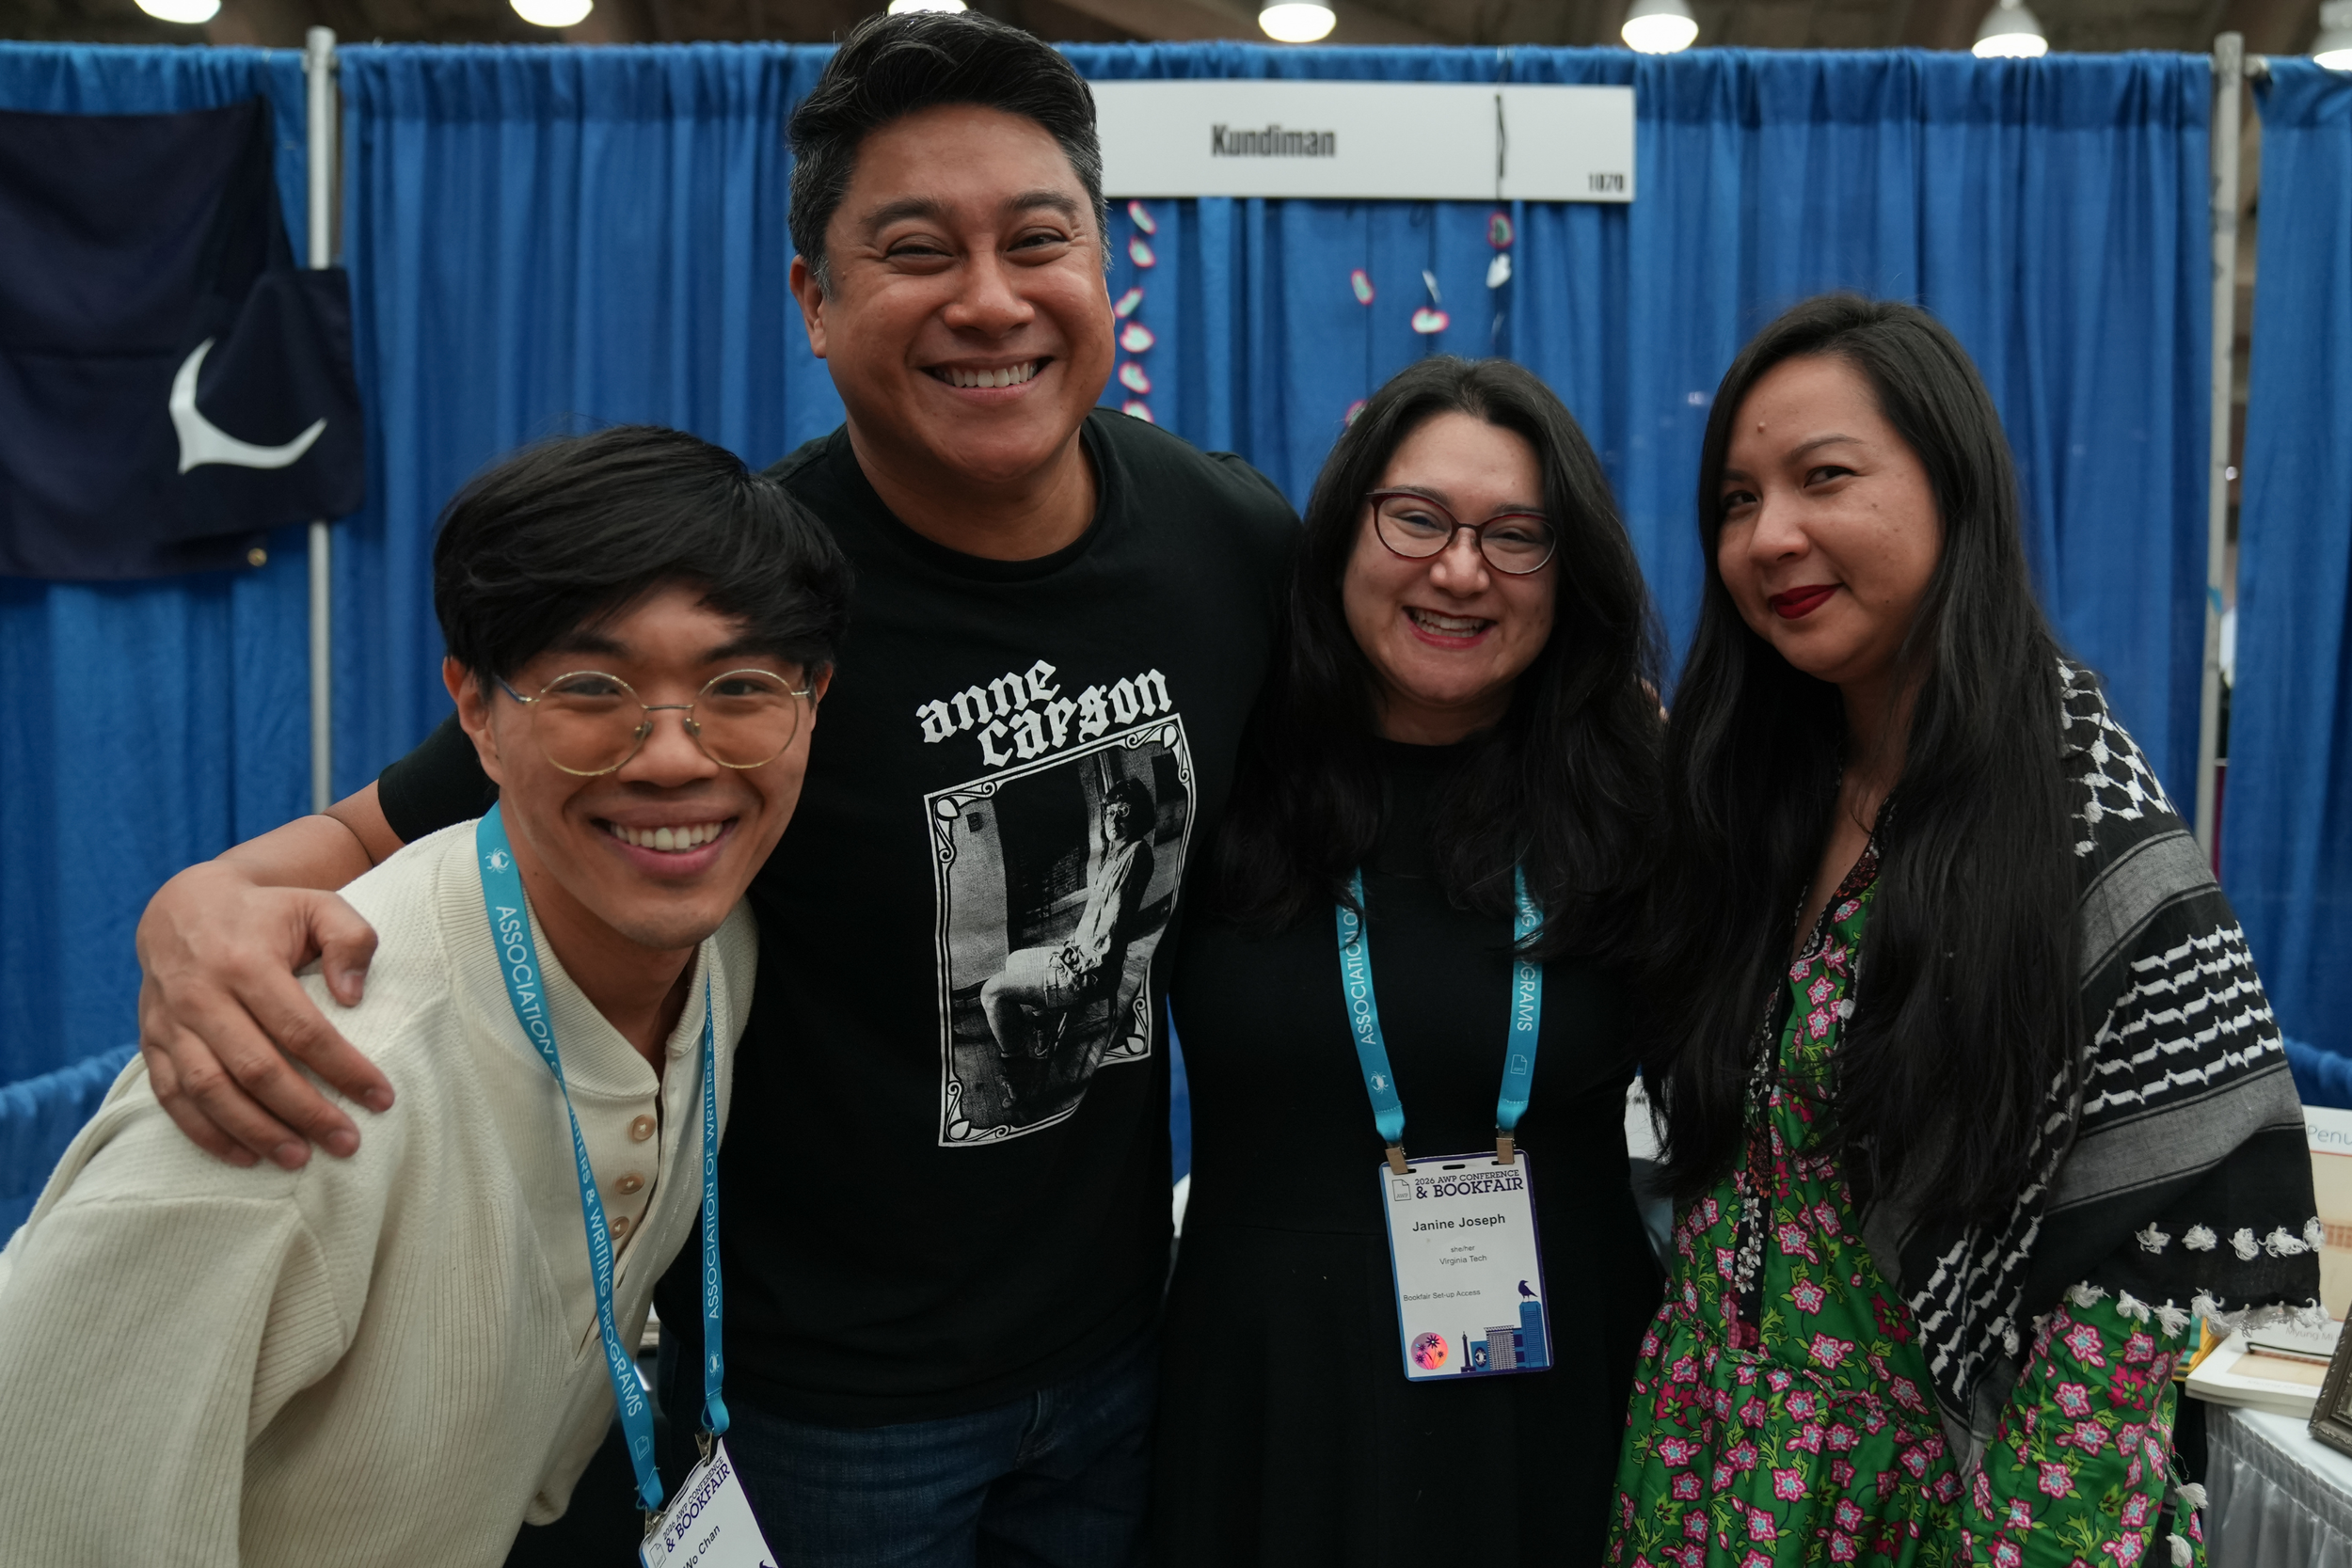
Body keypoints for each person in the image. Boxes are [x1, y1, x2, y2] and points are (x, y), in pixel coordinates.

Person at [128, 12, 1296, 1563]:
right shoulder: (735, 592)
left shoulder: (1228, 539)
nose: (990, 300)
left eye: (1039, 239)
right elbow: (366, 830)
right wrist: (191, 909)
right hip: (825, 1411)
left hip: (1119, 1351)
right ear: (814, 301)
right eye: (914, 250)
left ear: (1104, 267)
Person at [0, 424, 850, 1565]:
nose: (671, 757)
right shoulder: (284, 1104)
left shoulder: (721, 942)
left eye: (738, 685)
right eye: (593, 687)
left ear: (813, 699)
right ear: (478, 711)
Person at [1612, 296, 2320, 1567]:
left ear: (1954, 487)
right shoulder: (1756, 790)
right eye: (1734, 498)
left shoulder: (2077, 825)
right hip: (1702, 1459)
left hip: (1942, 1496)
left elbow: (2133, 1291)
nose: (1770, 534)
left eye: (1824, 476)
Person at [1152, 356, 1667, 1563]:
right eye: (1417, 517)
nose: (1458, 567)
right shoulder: (1224, 769)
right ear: (1341, 534)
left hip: (1555, 1389)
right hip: (1270, 1401)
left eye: (1516, 535)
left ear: (1566, 573)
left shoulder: (1641, 797)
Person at [981, 777, 1156, 1085]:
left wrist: (1074, 963)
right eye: (1109, 812)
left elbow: (1109, 929)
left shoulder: (1137, 853)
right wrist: (1069, 949)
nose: (1113, 819)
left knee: (991, 991)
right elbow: (1094, 921)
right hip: (1077, 956)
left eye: (1124, 811)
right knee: (1015, 960)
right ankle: (1043, 1032)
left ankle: (1019, 1075)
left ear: (1138, 814)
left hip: (1090, 972)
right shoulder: (1115, 854)